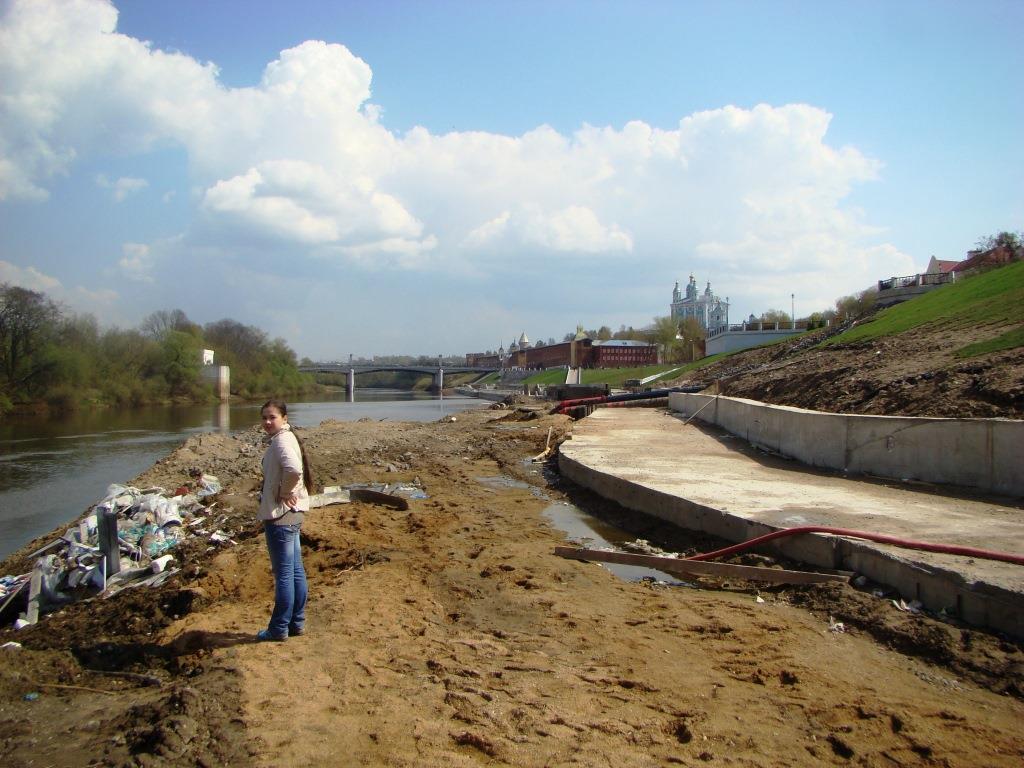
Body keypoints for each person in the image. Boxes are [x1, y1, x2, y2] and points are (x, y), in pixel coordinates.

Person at [256, 399, 313, 642]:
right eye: (264, 418)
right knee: (296, 571)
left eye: (273, 417)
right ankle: (296, 623)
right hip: (292, 514)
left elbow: (294, 470)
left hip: (282, 516)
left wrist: (283, 491)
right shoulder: (285, 438)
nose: (268, 422)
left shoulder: (281, 441)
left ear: (285, 418)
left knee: (285, 575)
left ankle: (279, 628)